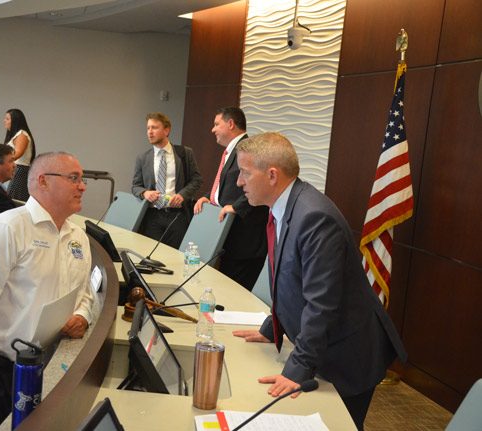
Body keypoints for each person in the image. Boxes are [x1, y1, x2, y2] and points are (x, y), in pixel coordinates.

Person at [232, 132, 406, 430]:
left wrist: (296, 370)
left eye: (246, 172)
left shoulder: (314, 217)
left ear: (272, 175)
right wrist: (270, 328)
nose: (239, 182)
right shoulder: (283, 208)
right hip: (325, 346)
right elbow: (289, 281)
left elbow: (322, 303)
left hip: (348, 354)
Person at [0, 151, 94, 431]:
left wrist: (83, 314)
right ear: (42, 181)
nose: (82, 186)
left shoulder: (77, 237)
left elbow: (85, 291)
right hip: (0, 369)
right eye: (74, 178)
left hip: (49, 365)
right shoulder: (6, 229)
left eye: (82, 179)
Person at [193, 107, 268, 290]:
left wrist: (235, 207)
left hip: (245, 238)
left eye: (216, 124)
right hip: (230, 234)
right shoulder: (231, 150)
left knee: (236, 292)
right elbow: (225, 184)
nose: (213, 129)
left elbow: (259, 182)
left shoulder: (249, 147)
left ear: (231, 124)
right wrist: (208, 197)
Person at [132, 112, 202, 248]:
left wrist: (182, 195)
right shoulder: (142, 158)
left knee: (175, 257)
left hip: (177, 216)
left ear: (166, 130)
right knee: (150, 257)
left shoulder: (184, 153)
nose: (150, 132)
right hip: (152, 216)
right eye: (148, 128)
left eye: (154, 128)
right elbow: (135, 186)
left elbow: (196, 180)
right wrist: (145, 193)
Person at [3, 108, 36, 202]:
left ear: (15, 120)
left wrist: (0, 160)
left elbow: (17, 154)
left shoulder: (21, 134)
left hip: (19, 171)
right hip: (15, 170)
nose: (4, 121)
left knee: (14, 201)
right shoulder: (15, 135)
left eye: (7, 119)